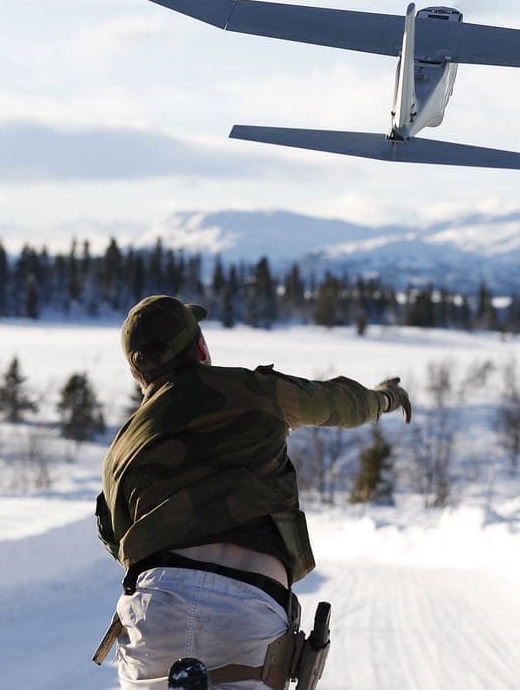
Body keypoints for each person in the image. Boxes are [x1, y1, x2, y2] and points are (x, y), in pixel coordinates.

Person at [95, 295, 412, 689]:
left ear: (136, 373)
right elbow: (338, 403)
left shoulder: (122, 449)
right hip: (247, 610)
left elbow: (117, 541)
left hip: (154, 612)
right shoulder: (256, 391)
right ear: (200, 348)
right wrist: (383, 398)